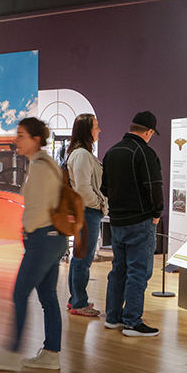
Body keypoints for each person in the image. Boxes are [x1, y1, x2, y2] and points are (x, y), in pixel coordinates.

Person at [0, 117, 68, 372]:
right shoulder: (45, 164)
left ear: (35, 139)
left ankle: (11, 352)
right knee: (48, 297)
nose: (16, 140)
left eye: (21, 135)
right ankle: (51, 353)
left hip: (42, 239)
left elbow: (37, 210)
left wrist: (27, 232)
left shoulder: (41, 167)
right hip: (55, 240)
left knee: (20, 293)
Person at [100, 110, 164, 336]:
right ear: (148, 132)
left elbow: (104, 188)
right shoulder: (144, 153)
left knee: (118, 269)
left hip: (117, 222)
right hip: (140, 221)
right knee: (138, 272)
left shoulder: (111, 152)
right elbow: (154, 186)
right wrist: (157, 213)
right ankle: (132, 321)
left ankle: (112, 317)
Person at [66, 114, 107, 318]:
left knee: (79, 257)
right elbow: (83, 188)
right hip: (88, 211)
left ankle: (75, 298)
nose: (99, 130)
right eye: (96, 126)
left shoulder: (80, 153)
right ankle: (79, 302)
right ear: (87, 130)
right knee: (83, 259)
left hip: (87, 211)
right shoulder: (82, 155)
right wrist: (99, 204)